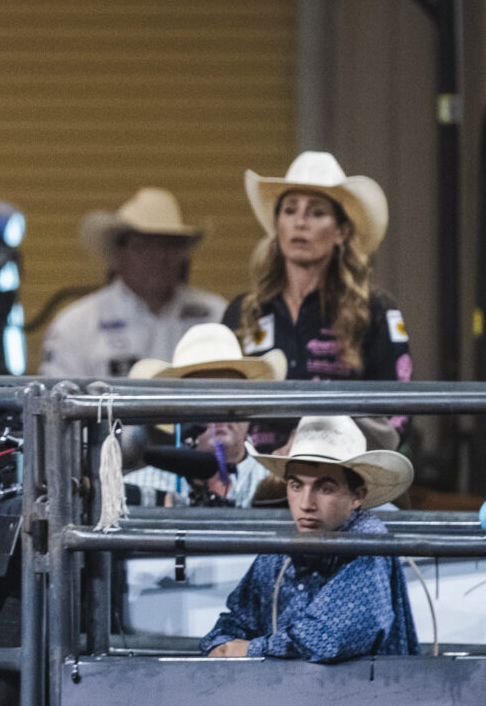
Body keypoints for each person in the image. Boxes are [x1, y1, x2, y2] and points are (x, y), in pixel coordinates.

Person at [222, 152, 409, 448]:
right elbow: (220, 405)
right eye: (290, 210)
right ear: (277, 223)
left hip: (342, 476)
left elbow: (400, 414)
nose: (300, 222)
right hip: (253, 477)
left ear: (342, 231)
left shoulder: (374, 311)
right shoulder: (244, 311)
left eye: (317, 212)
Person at [200, 417, 416, 661]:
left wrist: (250, 649)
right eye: (296, 486)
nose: (306, 504)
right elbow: (235, 620)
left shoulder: (368, 539)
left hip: (367, 695)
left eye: (325, 489)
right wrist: (221, 645)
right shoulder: (281, 550)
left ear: (357, 495)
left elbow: (330, 637)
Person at [39, 188, 223, 378]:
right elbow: (57, 401)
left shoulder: (217, 316)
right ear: (118, 253)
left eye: (169, 245)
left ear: (183, 254)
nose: (159, 257)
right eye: (145, 246)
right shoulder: (76, 326)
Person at [119, 322, 284, 507]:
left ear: (249, 404)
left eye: (232, 395)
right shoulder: (135, 489)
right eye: (203, 398)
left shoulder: (283, 488)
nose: (219, 412)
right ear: (178, 411)